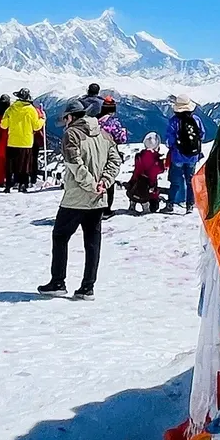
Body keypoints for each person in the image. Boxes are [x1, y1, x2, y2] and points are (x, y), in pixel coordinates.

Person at [38, 97, 121, 299]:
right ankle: (88, 286)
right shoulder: (104, 134)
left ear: (71, 117)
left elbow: (74, 163)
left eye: (65, 118)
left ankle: (58, 282)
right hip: (98, 198)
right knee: (92, 242)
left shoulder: (71, 135)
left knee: (60, 236)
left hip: (76, 197)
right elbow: (115, 161)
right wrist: (104, 183)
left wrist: (90, 185)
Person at [164, 95, 205, 215]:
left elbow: (169, 141)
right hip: (193, 157)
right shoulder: (196, 120)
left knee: (175, 181)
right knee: (190, 181)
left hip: (177, 156)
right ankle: (190, 205)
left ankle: (170, 204)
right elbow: (202, 135)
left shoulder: (174, 121)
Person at [1, 88, 45, 192]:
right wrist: (42, 119)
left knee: (10, 165)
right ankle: (23, 185)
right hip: (26, 142)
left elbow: (3, 125)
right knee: (25, 165)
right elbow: (36, 127)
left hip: (12, 141)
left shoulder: (11, 109)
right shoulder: (31, 110)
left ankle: (8, 185)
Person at [97, 94, 127, 217]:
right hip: (109, 153)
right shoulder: (113, 123)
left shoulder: (95, 120)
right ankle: (106, 209)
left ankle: (95, 207)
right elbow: (121, 139)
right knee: (109, 179)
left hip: (96, 152)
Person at [127, 133, 165, 213]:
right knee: (152, 205)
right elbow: (159, 170)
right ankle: (147, 207)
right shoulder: (156, 158)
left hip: (137, 181)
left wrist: (132, 181)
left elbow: (137, 170)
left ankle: (132, 204)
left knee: (135, 192)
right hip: (149, 185)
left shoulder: (139, 155)